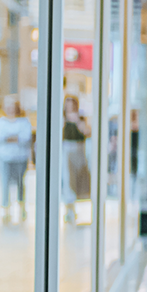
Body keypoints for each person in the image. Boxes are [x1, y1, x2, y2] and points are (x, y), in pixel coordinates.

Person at [0, 96, 33, 222]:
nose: (10, 109)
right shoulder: (2, 122)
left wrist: (9, 138)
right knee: (5, 183)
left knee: (20, 184)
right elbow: (0, 137)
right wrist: (14, 138)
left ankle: (21, 207)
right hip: (5, 157)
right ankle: (6, 209)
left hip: (20, 158)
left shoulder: (24, 122)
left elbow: (25, 138)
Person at [60, 94, 91, 223]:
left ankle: (76, 206)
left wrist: (77, 120)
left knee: (79, 180)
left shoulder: (81, 118)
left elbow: (87, 132)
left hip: (79, 151)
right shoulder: (62, 119)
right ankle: (69, 208)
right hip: (67, 151)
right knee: (68, 180)